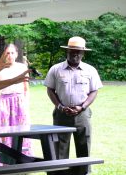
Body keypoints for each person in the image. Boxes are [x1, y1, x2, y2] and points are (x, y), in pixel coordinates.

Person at [44, 36, 103, 175]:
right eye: (72, 51)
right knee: (60, 147)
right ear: (67, 51)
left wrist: (82, 106)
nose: (75, 54)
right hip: (61, 114)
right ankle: (60, 173)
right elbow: (50, 89)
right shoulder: (56, 69)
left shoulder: (90, 70)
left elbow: (94, 91)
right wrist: (60, 106)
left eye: (78, 52)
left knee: (84, 145)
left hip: (82, 114)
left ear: (83, 53)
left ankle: (84, 173)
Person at [0, 44, 32, 165]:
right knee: (4, 133)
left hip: (19, 101)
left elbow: (26, 88)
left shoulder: (22, 68)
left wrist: (25, 103)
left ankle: (23, 160)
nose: (10, 56)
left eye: (12, 53)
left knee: (22, 131)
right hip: (4, 102)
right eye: (7, 53)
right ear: (4, 55)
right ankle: (5, 162)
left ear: (17, 54)